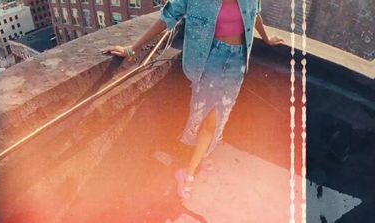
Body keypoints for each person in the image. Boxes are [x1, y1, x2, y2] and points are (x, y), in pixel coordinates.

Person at [101, 0, 284, 199]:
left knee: (220, 116)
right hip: (209, 57)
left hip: (237, 61)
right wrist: (132, 49)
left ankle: (200, 154)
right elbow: (168, 16)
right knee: (205, 119)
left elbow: (254, 13)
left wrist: (266, 38)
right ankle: (187, 172)